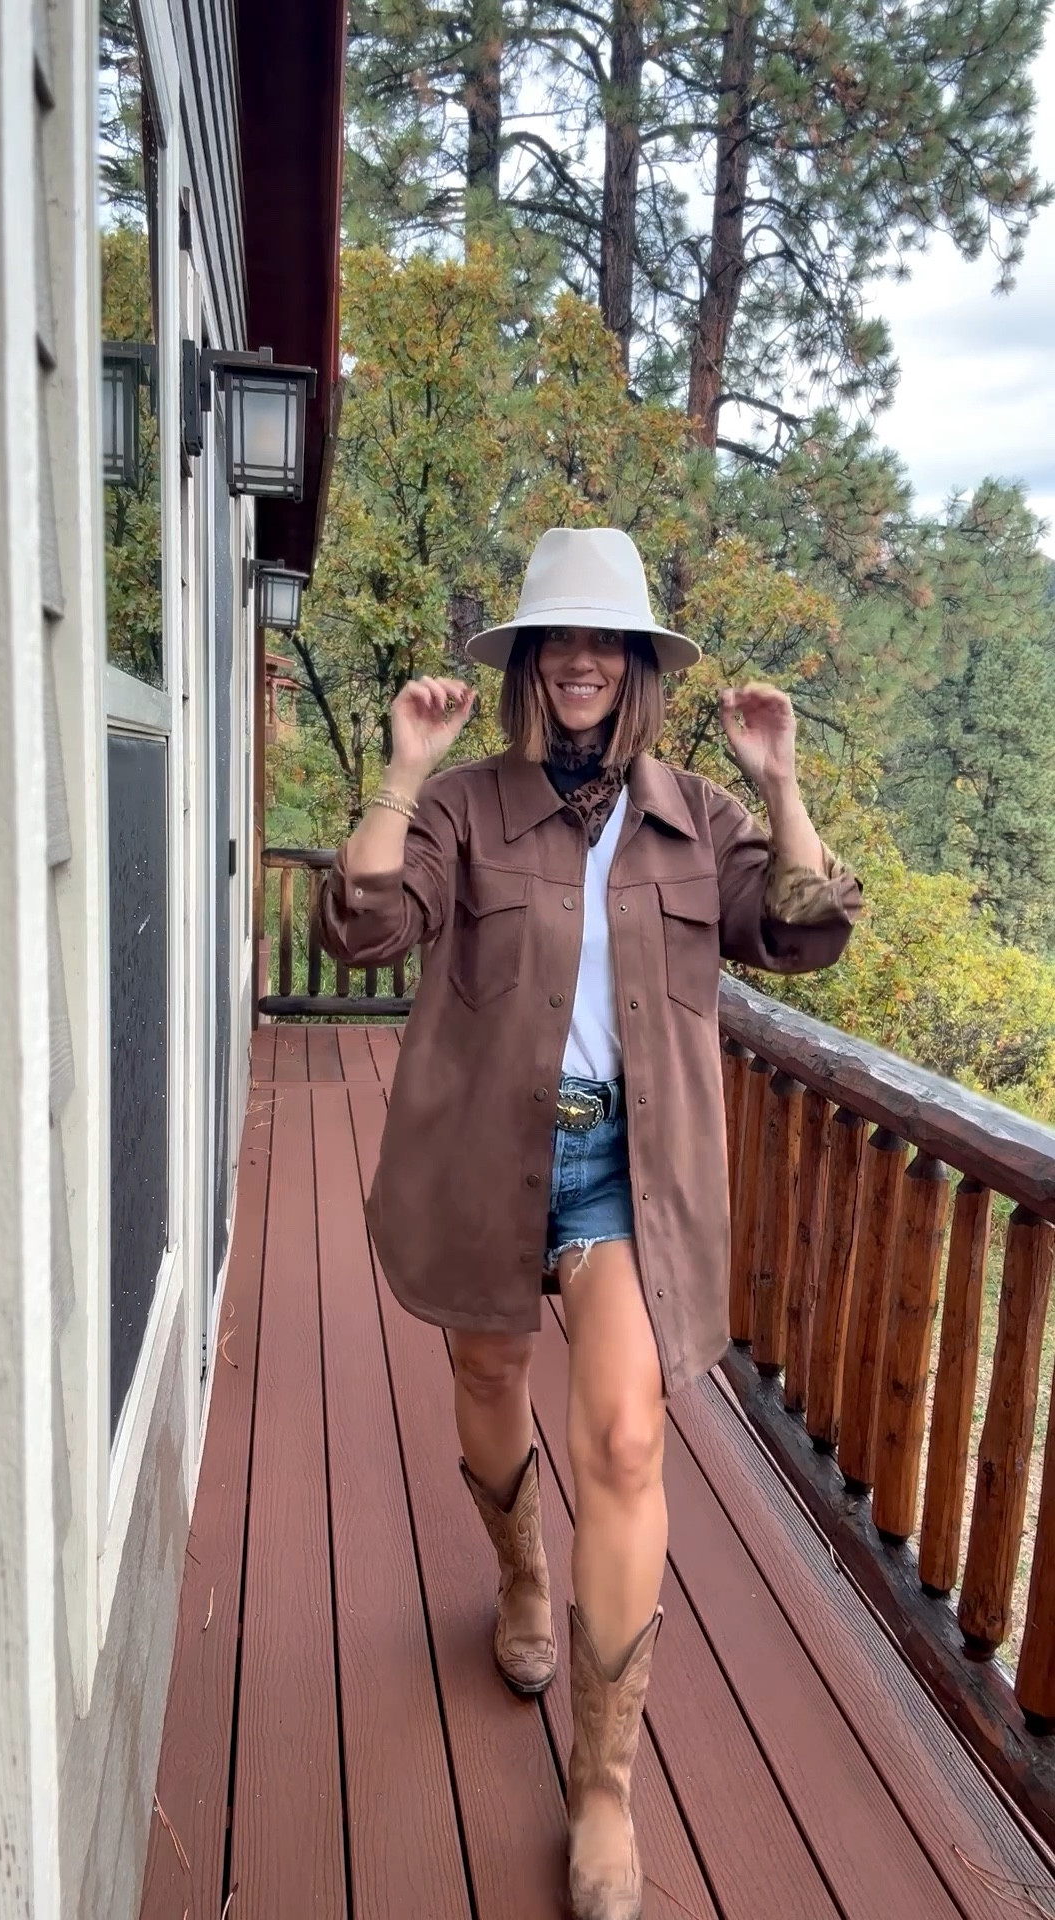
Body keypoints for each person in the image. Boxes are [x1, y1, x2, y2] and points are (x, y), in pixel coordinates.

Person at [319, 526, 861, 1920]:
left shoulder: (697, 815)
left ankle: (604, 1788)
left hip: (628, 1171)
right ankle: (519, 1577)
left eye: (602, 640)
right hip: (484, 1158)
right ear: (527, 663)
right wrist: (402, 769)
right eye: (555, 638)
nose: (576, 659)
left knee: (625, 1434)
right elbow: (363, 925)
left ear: (634, 667)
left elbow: (803, 933)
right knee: (491, 1382)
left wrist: (781, 781)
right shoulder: (468, 809)